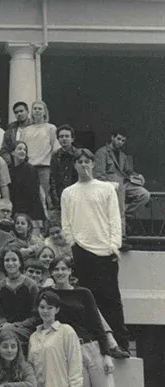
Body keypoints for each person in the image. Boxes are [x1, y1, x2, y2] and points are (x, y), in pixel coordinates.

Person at [61, 148, 130, 356]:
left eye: (87, 161)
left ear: (92, 164)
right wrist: (74, 244)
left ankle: (120, 344)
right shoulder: (68, 192)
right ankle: (99, 343)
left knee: (111, 300)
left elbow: (114, 219)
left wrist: (113, 246)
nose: (83, 165)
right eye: (79, 162)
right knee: (88, 301)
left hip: (105, 253)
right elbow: (66, 224)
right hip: (82, 252)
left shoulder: (106, 189)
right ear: (75, 165)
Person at [49, 257, 125, 387]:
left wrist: (106, 355)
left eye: (63, 269)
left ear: (69, 271)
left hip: (92, 348)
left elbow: (97, 324)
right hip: (71, 353)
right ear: (51, 273)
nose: (60, 272)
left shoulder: (83, 293)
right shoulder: (49, 296)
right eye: (56, 269)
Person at [0, 248, 39, 358]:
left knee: (7, 334)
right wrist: (3, 324)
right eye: (7, 260)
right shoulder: (0, 285)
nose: (10, 263)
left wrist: (16, 325)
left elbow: (36, 316)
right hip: (6, 327)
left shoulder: (31, 285)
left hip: (26, 329)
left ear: (20, 263)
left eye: (14, 260)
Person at [94, 129, 150, 225]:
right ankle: (122, 230)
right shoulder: (102, 152)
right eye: (118, 139)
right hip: (112, 187)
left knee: (144, 195)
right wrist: (109, 187)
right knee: (119, 209)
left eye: (123, 141)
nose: (120, 142)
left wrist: (138, 176)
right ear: (112, 137)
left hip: (124, 185)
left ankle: (126, 215)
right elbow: (99, 175)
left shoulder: (122, 155)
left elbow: (128, 171)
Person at [21, 101, 60, 212]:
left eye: (40, 109)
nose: (37, 111)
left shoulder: (51, 128)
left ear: (44, 112)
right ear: (32, 112)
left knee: (45, 196)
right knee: (29, 195)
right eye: (35, 109)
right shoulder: (26, 130)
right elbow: (22, 147)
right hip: (29, 167)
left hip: (44, 167)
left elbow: (55, 148)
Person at [9, 141, 45, 221]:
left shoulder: (30, 169)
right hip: (14, 209)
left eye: (25, 150)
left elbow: (33, 193)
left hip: (29, 210)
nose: (23, 151)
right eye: (19, 149)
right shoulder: (9, 169)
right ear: (12, 152)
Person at [49, 124, 78, 212]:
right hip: (60, 196)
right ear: (58, 139)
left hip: (76, 195)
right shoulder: (55, 156)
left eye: (67, 136)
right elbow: (53, 179)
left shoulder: (78, 154)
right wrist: (56, 200)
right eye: (61, 136)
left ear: (72, 139)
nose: (64, 139)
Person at [0, 102, 32, 166]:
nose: (19, 114)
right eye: (16, 112)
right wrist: (12, 161)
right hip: (15, 166)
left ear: (28, 111)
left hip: (33, 164)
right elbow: (4, 150)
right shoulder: (11, 129)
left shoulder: (34, 126)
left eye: (21, 111)